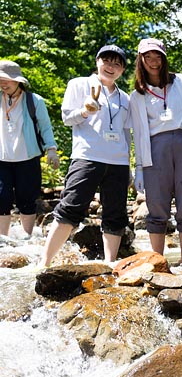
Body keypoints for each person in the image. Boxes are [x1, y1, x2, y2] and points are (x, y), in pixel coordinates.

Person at [40, 45, 131, 266]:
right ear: (97, 61)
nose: (111, 67)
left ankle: (110, 264)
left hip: (117, 161)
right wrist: (85, 111)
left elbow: (126, 133)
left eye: (117, 64)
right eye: (107, 61)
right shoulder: (79, 84)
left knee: (116, 214)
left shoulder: (125, 98)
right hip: (87, 157)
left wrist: (129, 165)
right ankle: (44, 263)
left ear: (123, 70)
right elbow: (66, 118)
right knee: (70, 207)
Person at [130, 38, 182, 264]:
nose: (154, 61)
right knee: (157, 205)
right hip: (155, 149)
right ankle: (157, 260)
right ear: (141, 60)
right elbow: (139, 132)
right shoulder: (137, 94)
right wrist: (139, 168)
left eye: (157, 56)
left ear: (164, 58)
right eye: (148, 57)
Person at [0, 60, 59, 237]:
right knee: (1, 199)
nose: (3, 83)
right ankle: (3, 240)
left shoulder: (34, 101)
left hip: (28, 159)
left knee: (27, 200)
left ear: (18, 80)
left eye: (6, 80)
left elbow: (45, 127)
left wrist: (51, 150)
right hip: (2, 159)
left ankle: (26, 239)